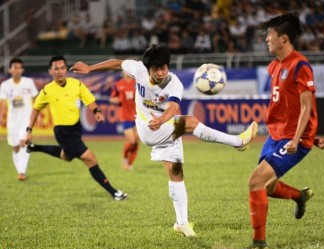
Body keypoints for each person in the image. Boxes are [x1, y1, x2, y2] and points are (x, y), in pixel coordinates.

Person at [70, 44, 258, 237]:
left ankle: (181, 223)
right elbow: (117, 63)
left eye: (163, 68)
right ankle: (238, 141)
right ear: (148, 68)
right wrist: (90, 68)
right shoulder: (138, 69)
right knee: (191, 122)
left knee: (175, 170)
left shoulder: (174, 83)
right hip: (147, 127)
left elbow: (173, 107)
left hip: (163, 125)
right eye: (155, 69)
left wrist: (161, 119)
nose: (160, 73)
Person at [241, 13, 320, 249]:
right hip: (275, 136)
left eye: (270, 35)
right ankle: (299, 196)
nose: (266, 39)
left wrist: (299, 139)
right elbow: (288, 105)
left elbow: (307, 106)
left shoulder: (300, 65)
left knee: (255, 181)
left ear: (283, 39)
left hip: (292, 139)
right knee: (267, 187)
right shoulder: (274, 66)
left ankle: (258, 244)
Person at [25, 55, 127, 201]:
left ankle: (35, 147)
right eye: (56, 68)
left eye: (62, 68)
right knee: (91, 159)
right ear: (50, 71)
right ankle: (114, 192)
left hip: (76, 128)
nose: (60, 71)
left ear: (66, 69)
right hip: (62, 132)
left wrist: (97, 112)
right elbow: (35, 109)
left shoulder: (76, 84)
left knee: (66, 156)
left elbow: (89, 99)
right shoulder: (47, 90)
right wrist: (29, 130)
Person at [0, 58, 38, 180]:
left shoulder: (29, 82)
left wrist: (37, 115)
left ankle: (22, 172)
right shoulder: (5, 85)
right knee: (15, 147)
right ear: (10, 70)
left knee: (24, 143)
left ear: (23, 70)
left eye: (19, 68)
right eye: (15, 67)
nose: (17, 70)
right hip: (13, 121)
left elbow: (35, 99)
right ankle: (20, 169)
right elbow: (2, 102)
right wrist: (1, 116)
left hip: (26, 120)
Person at [110, 71, 139, 170]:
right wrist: (116, 101)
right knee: (131, 141)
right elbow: (112, 99)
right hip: (125, 116)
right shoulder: (118, 84)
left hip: (137, 116)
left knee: (136, 142)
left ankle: (130, 164)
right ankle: (125, 158)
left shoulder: (137, 83)